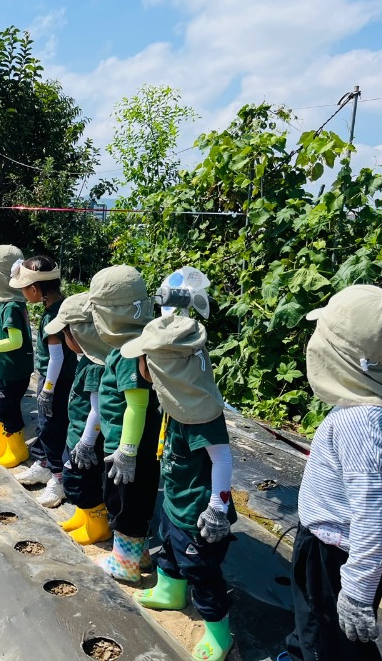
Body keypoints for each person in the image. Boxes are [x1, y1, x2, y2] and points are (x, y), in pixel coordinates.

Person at [280, 285, 382, 661]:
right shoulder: (377, 409)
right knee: (310, 621)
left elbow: (374, 505)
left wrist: (356, 588)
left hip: (336, 553)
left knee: (332, 641)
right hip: (338, 545)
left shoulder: (359, 420)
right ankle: (298, 652)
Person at [120, 312, 236, 661]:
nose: (140, 365)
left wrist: (218, 506)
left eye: (144, 359)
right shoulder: (174, 400)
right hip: (175, 503)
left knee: (202, 574)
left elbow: (223, 459)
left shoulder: (201, 413)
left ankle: (218, 633)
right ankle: (169, 591)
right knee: (169, 551)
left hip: (198, 514)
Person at [85, 266, 163, 582]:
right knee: (137, 500)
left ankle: (125, 566)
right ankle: (140, 555)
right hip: (138, 448)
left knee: (125, 503)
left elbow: (137, 405)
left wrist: (127, 450)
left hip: (130, 450)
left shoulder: (130, 352)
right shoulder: (138, 344)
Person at [43, 293, 113, 545]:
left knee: (84, 482)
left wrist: (85, 442)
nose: (63, 339)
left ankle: (97, 524)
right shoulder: (88, 360)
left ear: (81, 334)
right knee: (79, 481)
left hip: (88, 439)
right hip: (77, 432)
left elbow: (96, 410)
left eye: (66, 334)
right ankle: (83, 515)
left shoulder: (96, 366)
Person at [10, 255, 77, 508]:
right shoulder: (63, 308)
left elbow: (56, 358)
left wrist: (47, 390)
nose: (24, 293)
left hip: (55, 382)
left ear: (35, 289)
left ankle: (57, 479)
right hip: (64, 380)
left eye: (25, 288)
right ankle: (43, 464)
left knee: (52, 427)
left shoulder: (51, 319)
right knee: (48, 426)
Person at [0, 245, 33, 468]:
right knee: (0, 406)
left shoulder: (11, 306)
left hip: (13, 370)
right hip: (4, 369)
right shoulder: (7, 304)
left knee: (8, 408)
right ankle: (3, 444)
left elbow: (15, 342)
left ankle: (17, 449)